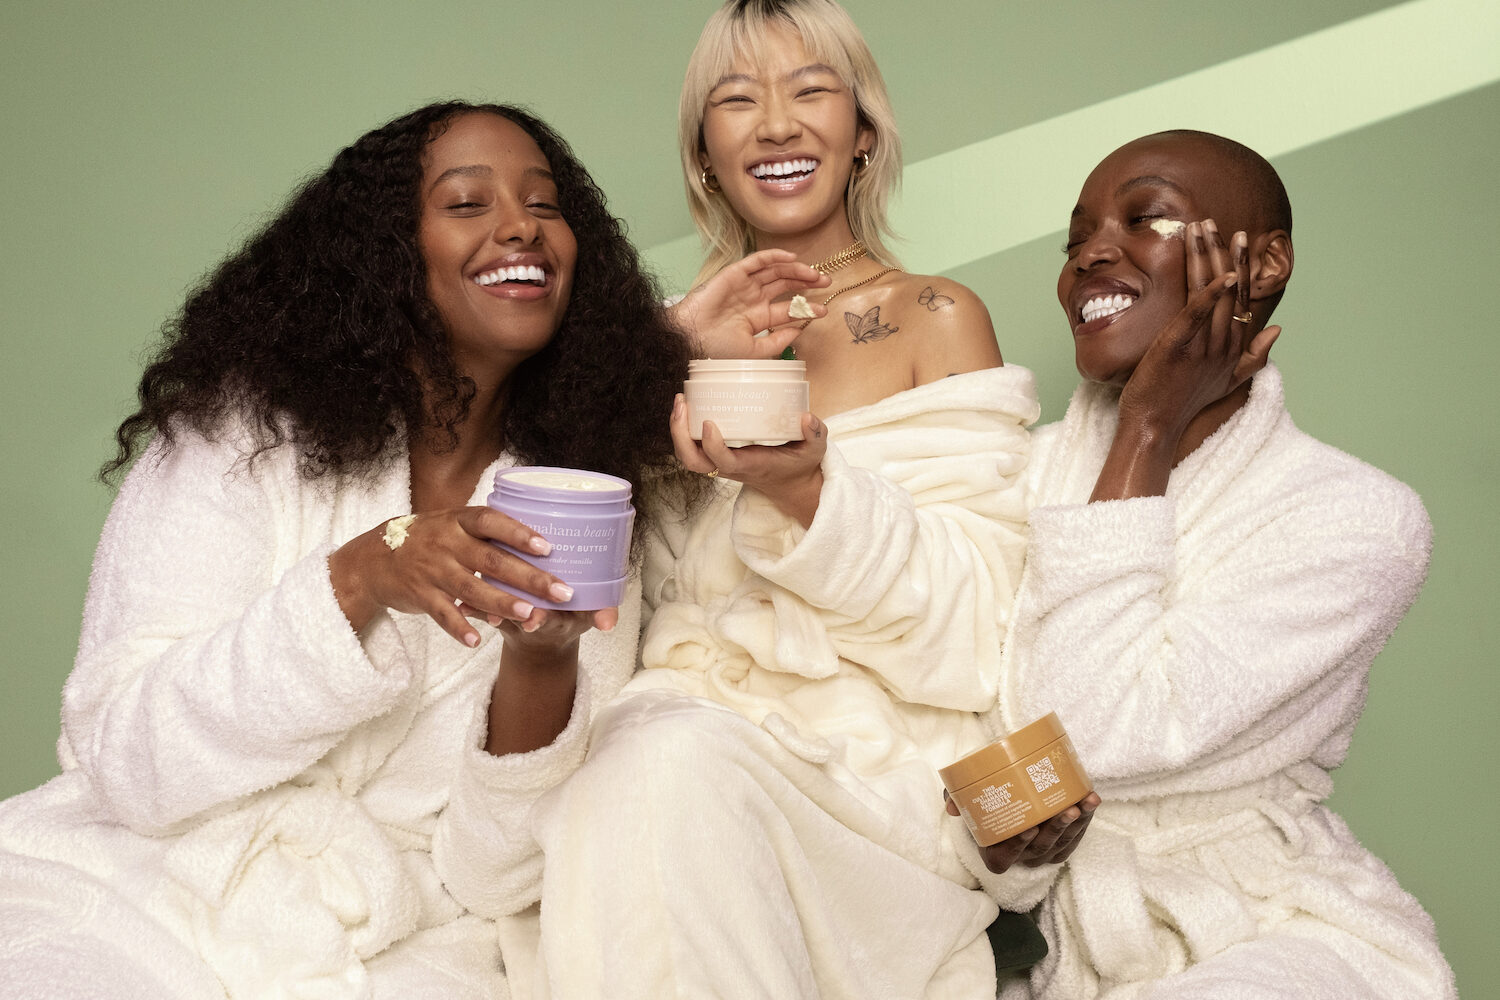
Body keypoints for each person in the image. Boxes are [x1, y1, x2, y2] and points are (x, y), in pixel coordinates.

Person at [0, 100, 699, 998]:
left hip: (394, 936)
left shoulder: (582, 497)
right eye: (467, 203)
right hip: (139, 887)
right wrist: (358, 580)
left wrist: (541, 662)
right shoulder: (242, 438)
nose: (521, 226)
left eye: (544, 204)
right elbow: (126, 757)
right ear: (384, 252)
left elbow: (493, 877)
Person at [518, 3, 1094, 997]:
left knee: (657, 771)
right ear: (704, 153)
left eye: (812, 90)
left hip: (863, 790)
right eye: (737, 100)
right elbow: (554, 546)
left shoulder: (934, 318)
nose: (777, 124)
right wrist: (665, 362)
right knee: (641, 774)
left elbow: (978, 633)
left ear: (862, 133)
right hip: (676, 755)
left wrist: (807, 490)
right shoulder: (659, 342)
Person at [971, 130, 1456, 998]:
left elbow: (1093, 735)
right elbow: (966, 735)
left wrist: (1148, 429)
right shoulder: (1012, 476)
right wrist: (1006, 853)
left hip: (1269, 930)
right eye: (1076, 238)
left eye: (1145, 218)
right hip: (1057, 944)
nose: (1090, 255)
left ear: (1264, 264)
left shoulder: (1356, 517)